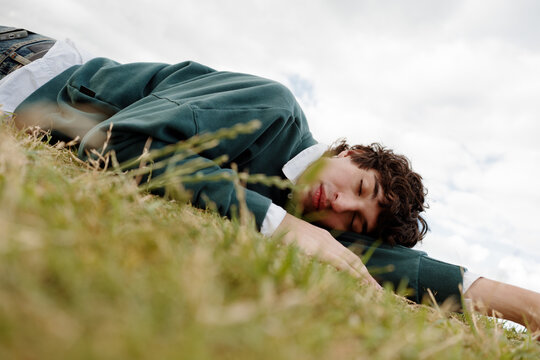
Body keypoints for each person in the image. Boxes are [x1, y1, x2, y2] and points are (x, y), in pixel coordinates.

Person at [1, 26, 539, 333]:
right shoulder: (273, 108)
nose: (341, 202)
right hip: (25, 64)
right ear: (349, 151)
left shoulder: (300, 209)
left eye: (353, 218)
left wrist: (516, 303)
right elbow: (118, 140)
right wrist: (287, 227)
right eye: (360, 185)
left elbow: (378, 263)